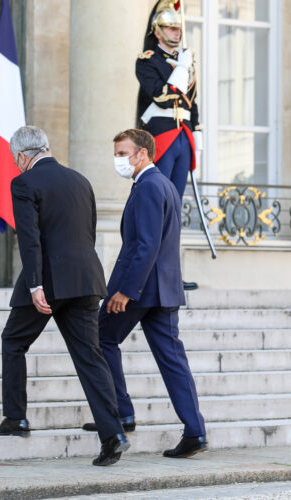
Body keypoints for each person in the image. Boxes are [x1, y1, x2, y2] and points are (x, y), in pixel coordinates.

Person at [0, 126, 130, 467]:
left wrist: (35, 285)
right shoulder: (80, 180)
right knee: (90, 357)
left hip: (48, 281)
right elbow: (89, 232)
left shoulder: (24, 183)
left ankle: (16, 418)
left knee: (13, 341)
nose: (16, 165)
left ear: (22, 156)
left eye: (14, 159)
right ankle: (113, 434)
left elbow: (29, 239)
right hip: (84, 279)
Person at [82, 129, 208, 459]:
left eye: (123, 153)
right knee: (173, 361)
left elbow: (146, 245)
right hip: (163, 289)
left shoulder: (150, 186)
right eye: (117, 153)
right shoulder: (162, 183)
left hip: (140, 290)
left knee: (101, 338)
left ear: (143, 153)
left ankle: (119, 414)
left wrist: (125, 291)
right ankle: (195, 431)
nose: (118, 160)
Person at [136, 0, 201, 290]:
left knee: (174, 207)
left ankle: (170, 272)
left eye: (178, 28)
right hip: (161, 137)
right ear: (157, 31)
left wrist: (197, 134)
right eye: (169, 28)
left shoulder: (185, 61)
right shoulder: (148, 60)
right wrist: (182, 68)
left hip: (182, 137)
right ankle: (149, 270)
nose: (176, 32)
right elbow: (161, 94)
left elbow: (190, 103)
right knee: (156, 205)